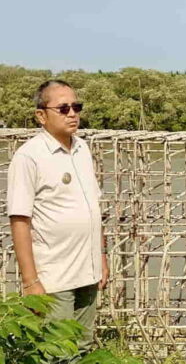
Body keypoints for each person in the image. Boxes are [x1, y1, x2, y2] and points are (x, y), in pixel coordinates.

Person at [7, 80, 109, 358]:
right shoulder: (30, 157)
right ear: (41, 115)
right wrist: (31, 283)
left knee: (84, 347)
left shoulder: (83, 149)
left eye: (76, 107)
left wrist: (101, 256)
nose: (72, 114)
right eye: (63, 108)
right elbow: (19, 220)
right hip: (55, 277)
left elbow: (93, 207)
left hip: (87, 272)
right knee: (57, 353)